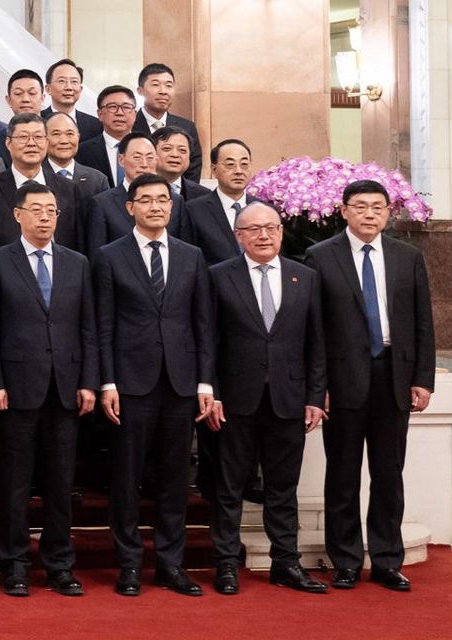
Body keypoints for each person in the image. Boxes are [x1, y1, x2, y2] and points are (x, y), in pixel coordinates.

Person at [309, 179, 434, 592]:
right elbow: (313, 329)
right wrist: (317, 385)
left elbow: (422, 323)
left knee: (388, 475)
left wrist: (422, 378)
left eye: (377, 207)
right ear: (343, 210)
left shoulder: (407, 257)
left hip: (393, 377)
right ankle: (345, 559)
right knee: (342, 474)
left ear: (388, 212)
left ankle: (385, 560)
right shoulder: (319, 256)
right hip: (342, 379)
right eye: (360, 206)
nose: (369, 214)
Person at [93, 173, 214, 597]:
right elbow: (102, 325)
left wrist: (205, 383)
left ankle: (170, 563)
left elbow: (203, 324)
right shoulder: (109, 256)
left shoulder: (191, 255)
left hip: (180, 383)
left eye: (163, 199)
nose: (156, 207)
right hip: (130, 382)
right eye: (146, 200)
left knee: (175, 478)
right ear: (131, 207)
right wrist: (106, 381)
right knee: (127, 477)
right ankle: (129, 563)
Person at [203, 202, 330, 595]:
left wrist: (313, 396)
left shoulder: (304, 277)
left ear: (280, 232)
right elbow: (208, 340)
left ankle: (285, 563)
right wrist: (212, 392)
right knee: (229, 487)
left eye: (271, 228)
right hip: (235, 401)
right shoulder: (218, 277)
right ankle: (226, 564)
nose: (263, 235)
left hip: (289, 400)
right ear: (238, 236)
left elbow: (316, 344)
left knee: (282, 487)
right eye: (253, 229)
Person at [0, 182, 96, 598]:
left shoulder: (77, 263)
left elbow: (88, 328)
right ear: (18, 215)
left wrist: (88, 381)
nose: (46, 217)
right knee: (15, 481)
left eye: (52, 211)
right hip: (15, 388)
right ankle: (13, 563)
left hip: (65, 388)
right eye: (37, 210)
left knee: (60, 482)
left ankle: (59, 564)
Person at [0, 113, 80, 257]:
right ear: (8, 143)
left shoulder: (69, 189)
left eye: (38, 137)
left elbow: (77, 245)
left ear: (46, 143)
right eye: (23, 137)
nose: (31, 143)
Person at [174, 139, 254, 265]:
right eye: (230, 165)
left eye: (244, 164)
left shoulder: (264, 209)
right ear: (214, 169)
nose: (239, 171)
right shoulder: (194, 210)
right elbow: (187, 259)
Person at [84, 132, 160, 255]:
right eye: (137, 157)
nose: (144, 164)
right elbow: (96, 256)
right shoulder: (102, 204)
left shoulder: (175, 202)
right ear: (121, 159)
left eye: (150, 157)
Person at [131, 63, 202, 182]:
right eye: (155, 85)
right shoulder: (130, 125)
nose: (163, 91)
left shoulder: (186, 127)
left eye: (169, 85)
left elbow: (193, 170)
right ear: (140, 91)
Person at [77, 85, 137, 187]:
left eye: (126, 107)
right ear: (100, 114)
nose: (120, 113)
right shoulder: (82, 151)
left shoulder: (149, 147)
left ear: (135, 114)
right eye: (112, 107)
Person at [43, 59, 104, 140]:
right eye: (62, 81)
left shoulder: (96, 125)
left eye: (74, 81)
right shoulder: (38, 120)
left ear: (81, 89)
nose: (69, 87)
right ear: (48, 89)